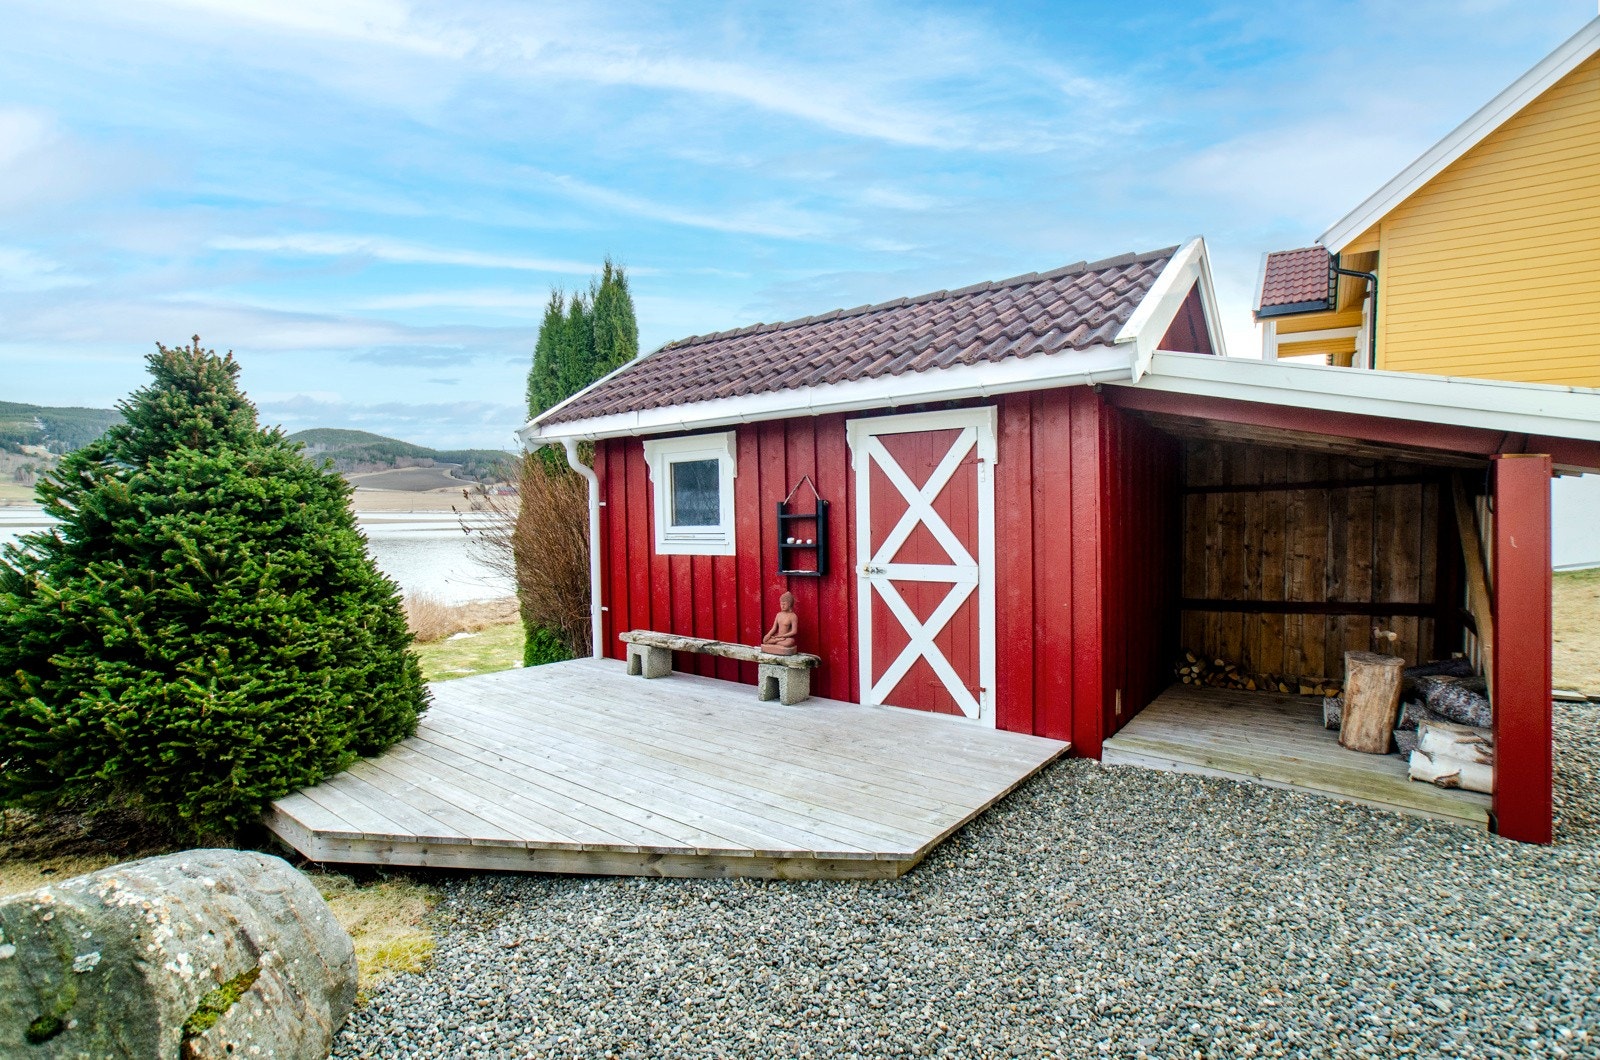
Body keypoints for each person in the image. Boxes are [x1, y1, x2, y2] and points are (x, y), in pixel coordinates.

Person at [760, 591, 799, 656]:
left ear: (789, 604)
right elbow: (774, 628)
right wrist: (768, 635)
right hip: (778, 636)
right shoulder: (778, 615)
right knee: (765, 639)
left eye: (784, 604)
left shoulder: (793, 616)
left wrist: (783, 636)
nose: (782, 606)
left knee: (790, 642)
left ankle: (775, 642)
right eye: (781, 604)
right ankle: (777, 641)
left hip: (786, 638)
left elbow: (794, 631)